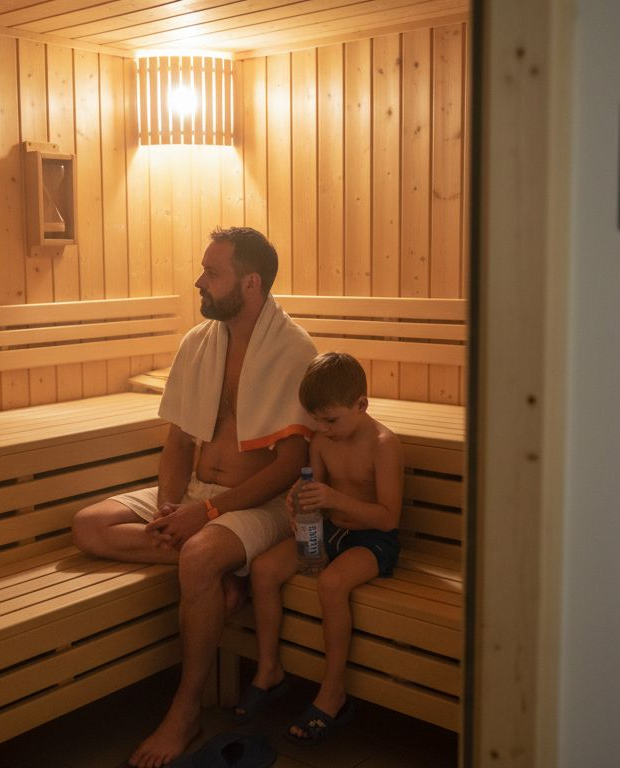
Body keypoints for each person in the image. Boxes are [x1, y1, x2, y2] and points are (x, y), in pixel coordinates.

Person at [71, 227, 318, 768]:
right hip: (195, 497)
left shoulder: (294, 350)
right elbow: (179, 440)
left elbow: (289, 467)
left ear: (249, 282)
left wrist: (203, 514)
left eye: (212, 273)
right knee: (90, 525)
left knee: (200, 552)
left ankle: (185, 711)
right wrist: (169, 507)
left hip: (260, 505)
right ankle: (222, 578)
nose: (198, 282)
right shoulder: (198, 343)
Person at [234, 352, 404, 744]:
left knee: (331, 584)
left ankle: (333, 693)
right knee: (263, 570)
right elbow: (314, 486)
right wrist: (300, 500)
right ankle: (269, 669)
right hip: (330, 531)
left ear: (361, 405)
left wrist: (330, 499)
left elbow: (388, 519)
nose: (322, 429)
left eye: (331, 420)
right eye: (316, 420)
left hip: (371, 540)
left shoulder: (383, 444)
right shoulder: (323, 441)